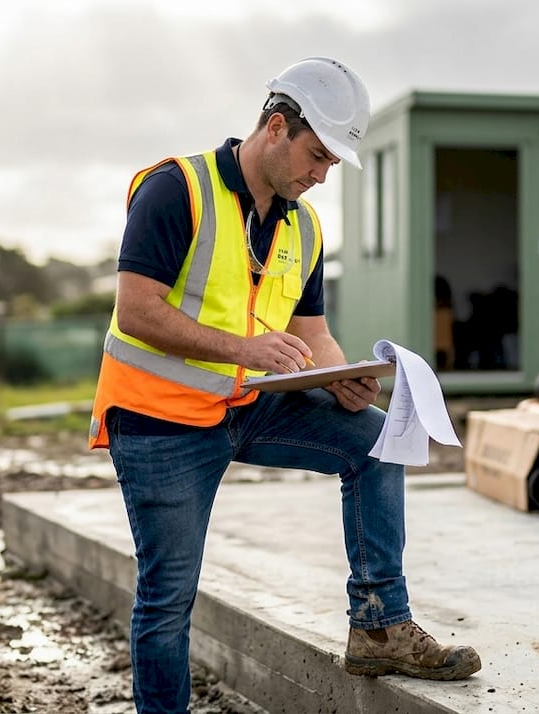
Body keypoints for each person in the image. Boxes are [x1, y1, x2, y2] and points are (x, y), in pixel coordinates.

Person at [88, 57, 482, 713]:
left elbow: (311, 331)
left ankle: (379, 624)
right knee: (169, 594)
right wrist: (245, 350)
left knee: (379, 438)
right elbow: (137, 311)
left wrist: (343, 378)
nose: (322, 176)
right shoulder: (175, 188)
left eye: (331, 164)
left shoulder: (303, 224)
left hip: (251, 406)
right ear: (276, 128)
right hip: (160, 420)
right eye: (317, 156)